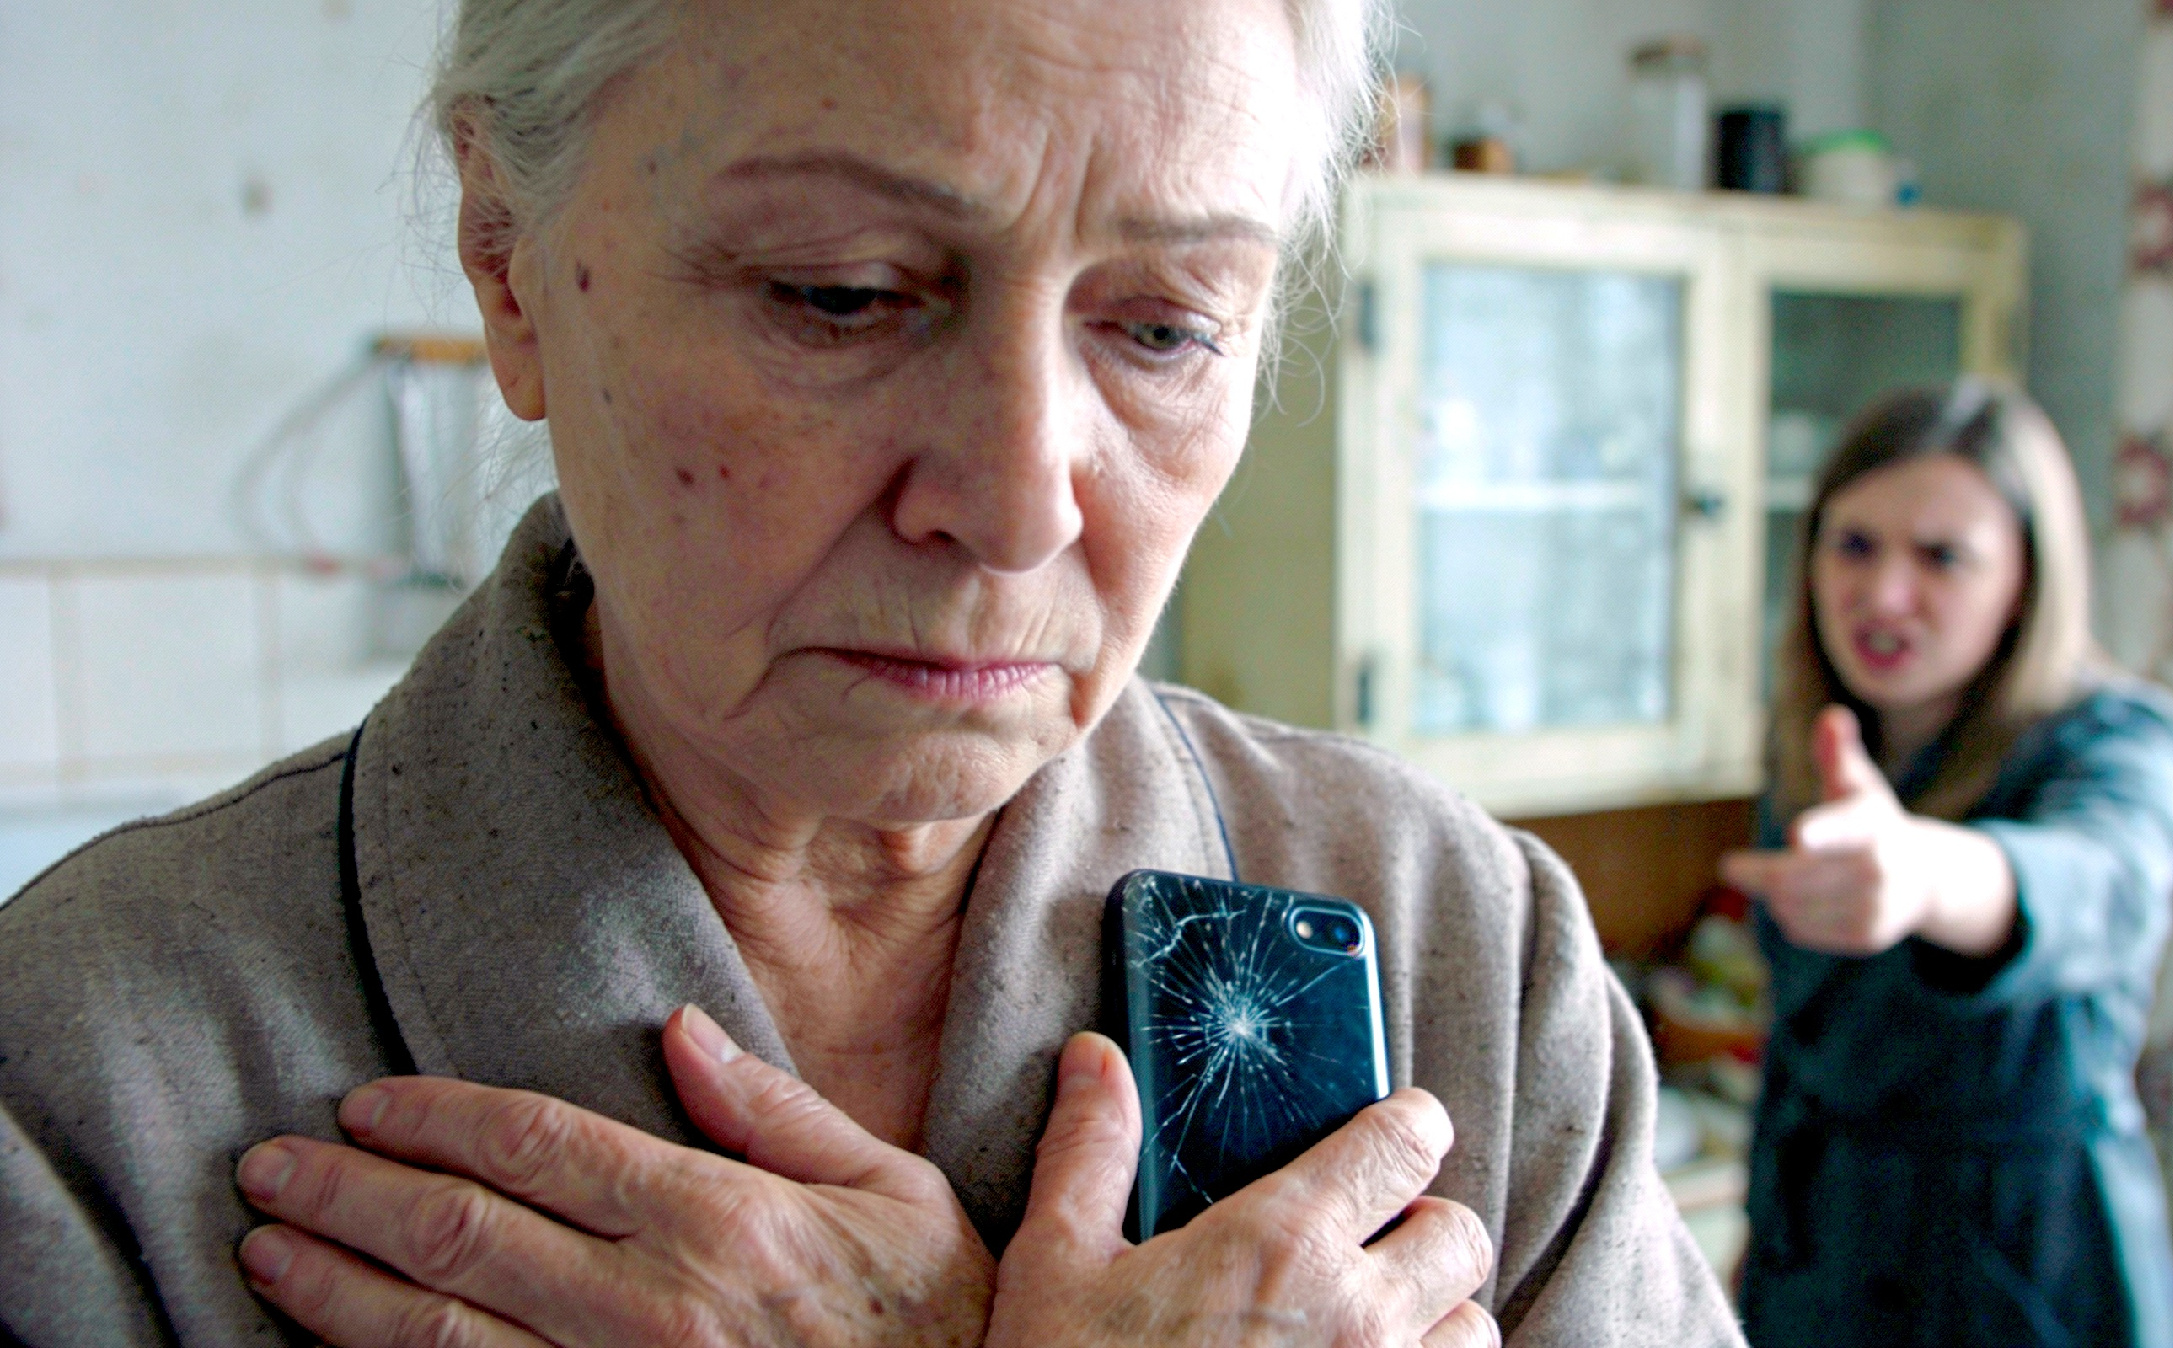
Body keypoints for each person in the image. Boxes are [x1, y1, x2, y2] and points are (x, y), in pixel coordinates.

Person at [0, 0, 1741, 1345]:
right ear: (509, 260)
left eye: (1161, 327)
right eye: (842, 295)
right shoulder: (88, 1085)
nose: (1018, 502)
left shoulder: (1462, 953)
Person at [1719, 381, 2173, 1348]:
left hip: (2023, 1269)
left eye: (1942, 558)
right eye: (1855, 546)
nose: (1883, 594)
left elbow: (2098, 883)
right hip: (1821, 1258)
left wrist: (1924, 876)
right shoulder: (1822, 744)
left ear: (2025, 580)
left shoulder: (2116, 738)